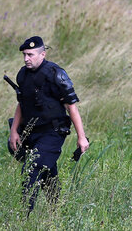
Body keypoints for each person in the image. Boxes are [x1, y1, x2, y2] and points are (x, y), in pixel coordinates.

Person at [8, 36, 90, 212]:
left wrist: (81, 137)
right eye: (24, 55)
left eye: (30, 54)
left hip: (52, 132)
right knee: (47, 171)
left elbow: (72, 107)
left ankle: (24, 217)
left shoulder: (56, 74)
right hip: (31, 132)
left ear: (42, 54)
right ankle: (57, 211)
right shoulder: (23, 75)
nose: (26, 59)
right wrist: (14, 131)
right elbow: (22, 104)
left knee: (32, 168)